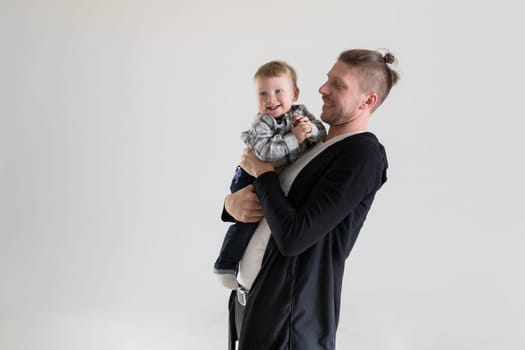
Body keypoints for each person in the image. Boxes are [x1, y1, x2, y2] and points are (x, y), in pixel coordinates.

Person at [222, 49, 400, 350]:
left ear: (367, 101)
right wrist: (230, 205)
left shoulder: (361, 155)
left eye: (338, 85)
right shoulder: (312, 142)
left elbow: (295, 236)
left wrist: (264, 174)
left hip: (289, 323)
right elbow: (272, 200)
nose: (322, 89)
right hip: (250, 305)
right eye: (327, 79)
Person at [214, 61, 327, 289]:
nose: (270, 99)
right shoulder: (262, 123)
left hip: (273, 177)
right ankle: (225, 263)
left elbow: (321, 132)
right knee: (248, 219)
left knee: (272, 219)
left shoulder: (300, 113)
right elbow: (264, 152)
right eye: (262, 93)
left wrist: (308, 129)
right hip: (249, 177)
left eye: (278, 91)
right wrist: (295, 138)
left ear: (295, 93)